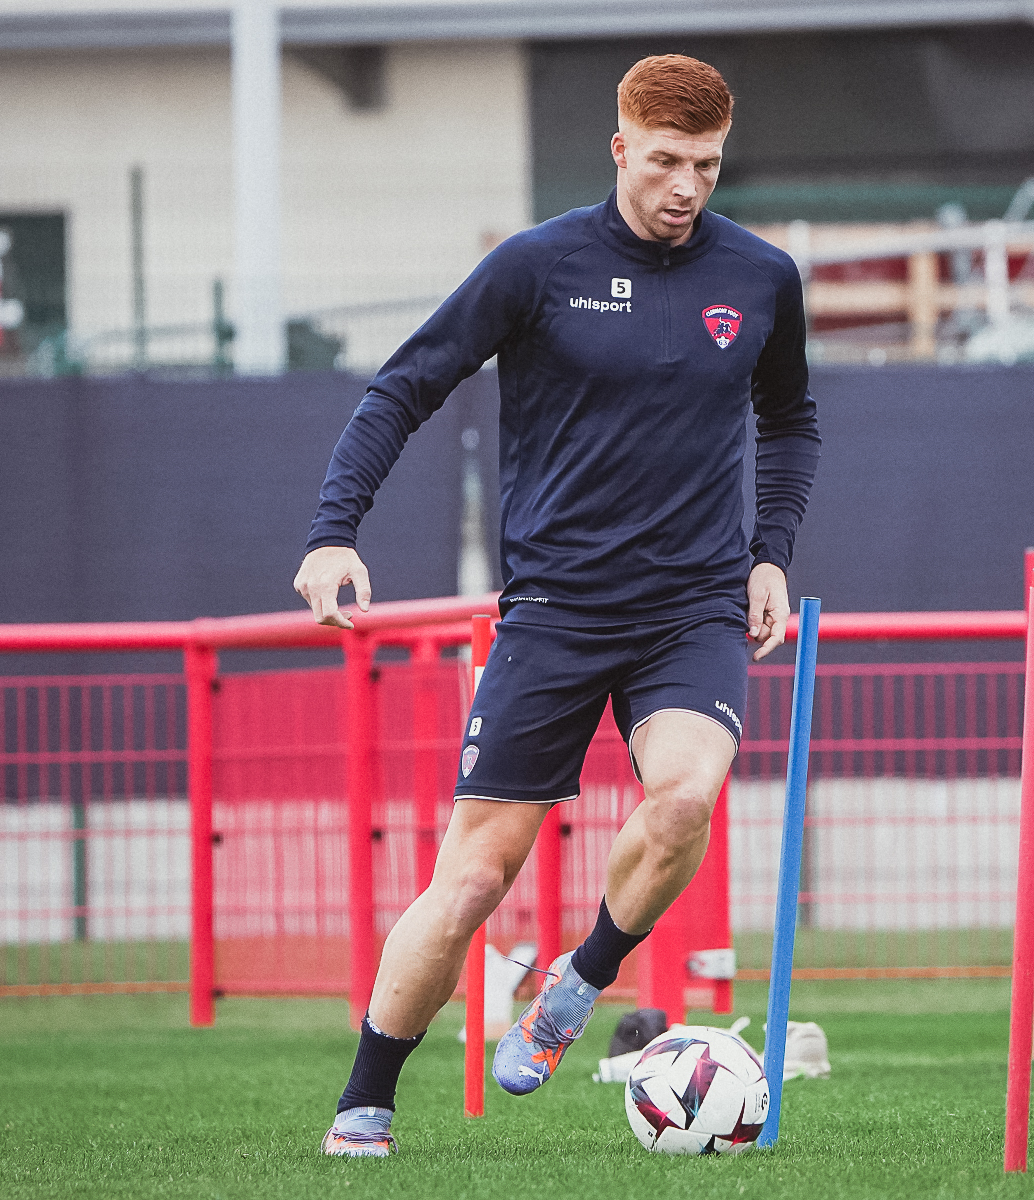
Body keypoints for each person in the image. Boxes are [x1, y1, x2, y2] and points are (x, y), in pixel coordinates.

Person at [293, 53, 820, 1158]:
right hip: (555, 609)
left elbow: (789, 423)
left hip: (691, 608)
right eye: (667, 161)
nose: (686, 187)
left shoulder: (762, 277)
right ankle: (366, 1097)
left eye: (708, 167)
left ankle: (576, 988)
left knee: (684, 803)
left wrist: (768, 554)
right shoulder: (535, 266)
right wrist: (334, 532)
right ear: (621, 148)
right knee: (476, 875)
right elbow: (403, 387)